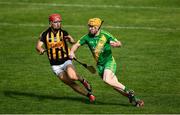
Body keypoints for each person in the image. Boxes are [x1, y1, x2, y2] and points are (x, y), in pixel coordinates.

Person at [70, 18, 144, 107]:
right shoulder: (87, 37)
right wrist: (72, 52)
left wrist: (117, 44)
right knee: (116, 86)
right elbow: (76, 45)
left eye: (92, 27)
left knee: (107, 80)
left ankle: (129, 91)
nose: (90, 29)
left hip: (109, 62)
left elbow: (119, 43)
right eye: (89, 26)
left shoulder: (105, 35)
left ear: (98, 27)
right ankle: (136, 101)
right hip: (100, 66)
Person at [35, 13, 95, 102]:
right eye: (56, 22)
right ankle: (89, 95)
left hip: (66, 60)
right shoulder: (45, 34)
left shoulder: (63, 33)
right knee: (70, 83)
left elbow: (73, 42)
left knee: (73, 77)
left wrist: (71, 40)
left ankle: (83, 80)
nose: (58, 24)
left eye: (59, 22)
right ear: (50, 23)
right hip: (55, 66)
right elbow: (38, 46)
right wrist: (40, 50)